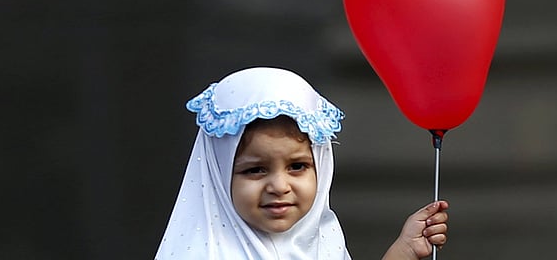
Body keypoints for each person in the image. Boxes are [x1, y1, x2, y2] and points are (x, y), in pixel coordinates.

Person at [155, 67, 448, 259]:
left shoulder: (322, 243)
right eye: (255, 170)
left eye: (297, 166)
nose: (279, 186)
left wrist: (404, 250)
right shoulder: (202, 252)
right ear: (218, 175)